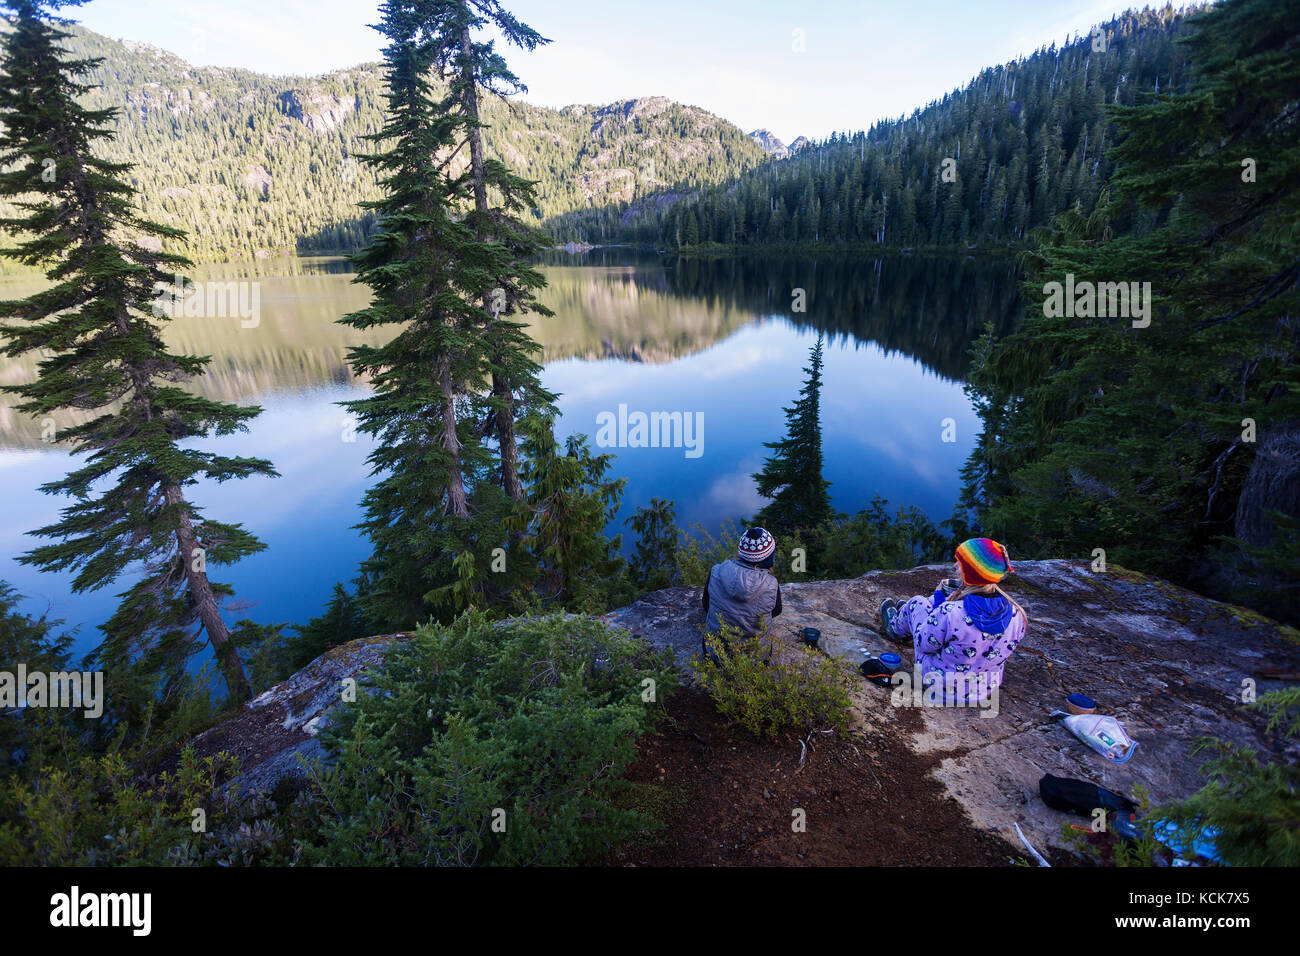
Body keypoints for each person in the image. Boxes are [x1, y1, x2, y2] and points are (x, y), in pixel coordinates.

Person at [879, 537, 1027, 705]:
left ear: (970, 574)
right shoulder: (1018, 615)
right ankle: (906, 616)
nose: (954, 566)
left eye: (960, 563)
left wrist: (938, 601)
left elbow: (924, 645)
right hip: (983, 689)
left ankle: (895, 628)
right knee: (936, 612)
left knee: (918, 603)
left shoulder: (951, 612)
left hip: (940, 684)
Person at [701, 527, 783, 661]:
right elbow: (776, 612)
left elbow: (706, 606)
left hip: (716, 655)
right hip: (756, 659)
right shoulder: (771, 584)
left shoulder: (716, 571)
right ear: (768, 558)